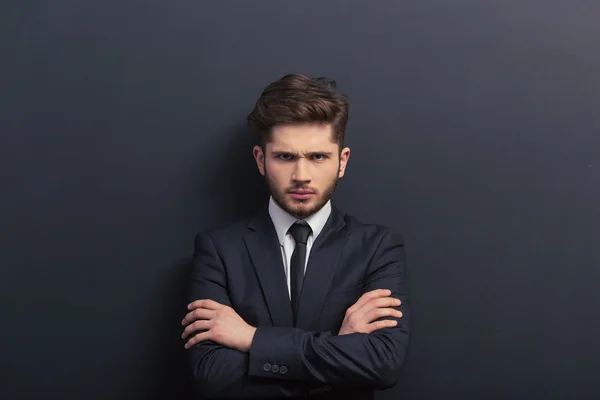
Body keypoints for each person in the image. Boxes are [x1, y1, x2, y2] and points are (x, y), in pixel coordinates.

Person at [181, 73, 410, 399]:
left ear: (342, 162)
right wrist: (340, 353)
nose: (301, 176)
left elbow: (382, 364)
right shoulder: (218, 249)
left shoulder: (377, 248)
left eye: (318, 157)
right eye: (285, 157)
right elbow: (214, 376)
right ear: (261, 160)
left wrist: (251, 339)